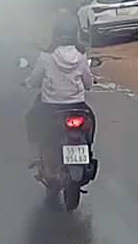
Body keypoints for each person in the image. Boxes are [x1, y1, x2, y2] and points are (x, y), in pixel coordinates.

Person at [25, 14, 96, 148]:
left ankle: (37, 152)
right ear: (75, 34)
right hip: (77, 105)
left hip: (51, 105)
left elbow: (35, 80)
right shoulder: (81, 55)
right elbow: (88, 83)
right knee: (91, 118)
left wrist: (29, 83)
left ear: (55, 34)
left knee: (31, 117)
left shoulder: (46, 55)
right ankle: (88, 148)